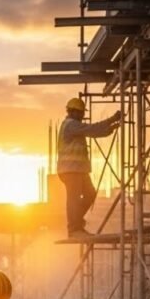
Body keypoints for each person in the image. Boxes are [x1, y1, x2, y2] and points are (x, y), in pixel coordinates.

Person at [57, 97, 121, 238]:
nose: (82, 116)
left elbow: (93, 132)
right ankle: (74, 229)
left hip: (79, 170)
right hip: (70, 169)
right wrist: (111, 119)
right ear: (73, 112)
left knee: (90, 193)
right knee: (73, 198)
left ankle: (76, 223)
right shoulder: (70, 125)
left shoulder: (75, 126)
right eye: (80, 113)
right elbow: (92, 129)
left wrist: (110, 129)